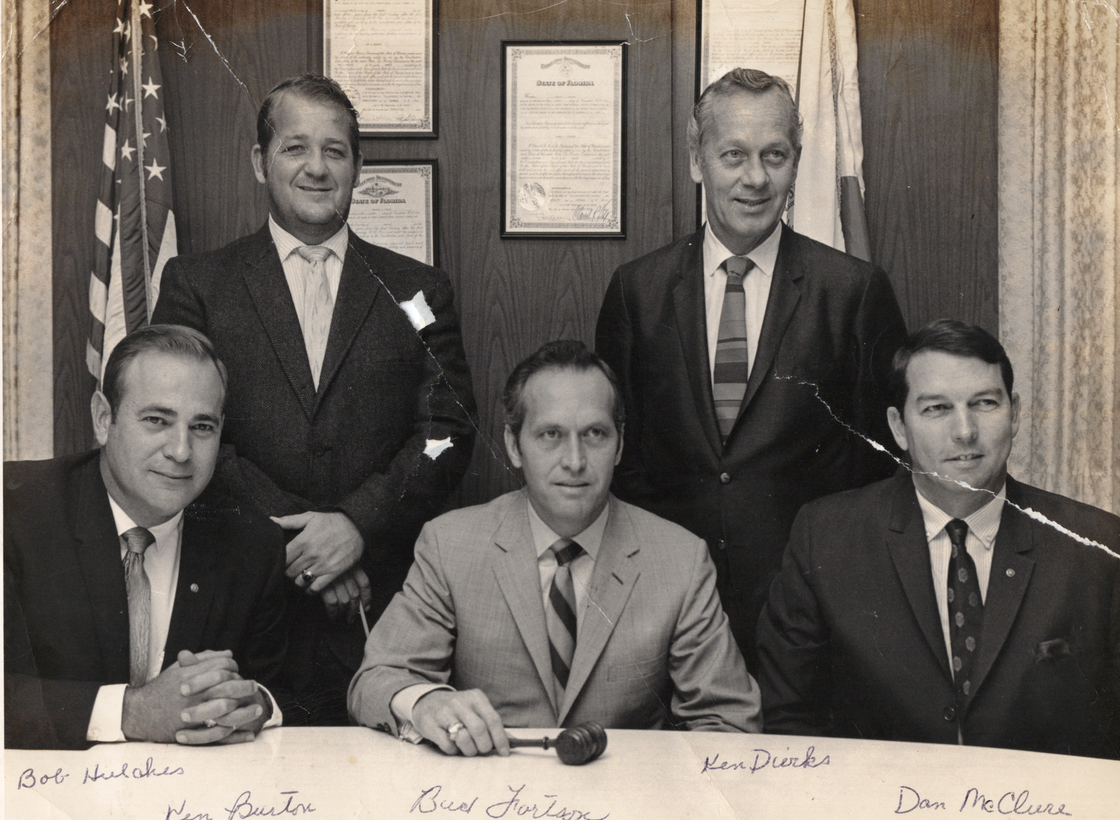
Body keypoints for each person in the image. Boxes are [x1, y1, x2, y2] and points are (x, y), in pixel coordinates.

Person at [153, 75, 477, 724]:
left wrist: (356, 525)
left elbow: (446, 429)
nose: (317, 167)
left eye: (335, 150)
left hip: (380, 605)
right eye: (296, 147)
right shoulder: (198, 285)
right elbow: (180, 432)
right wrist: (306, 541)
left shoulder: (417, 291)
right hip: (240, 597)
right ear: (259, 162)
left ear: (358, 167)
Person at [595, 68, 907, 672]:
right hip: (666, 608)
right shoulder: (637, 289)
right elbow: (621, 458)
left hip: (812, 612)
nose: (756, 178)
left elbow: (881, 466)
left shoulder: (853, 291)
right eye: (733, 155)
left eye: (775, 155)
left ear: (796, 163)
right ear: (697, 161)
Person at [350, 341, 761, 755]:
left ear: (619, 445)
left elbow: (730, 721)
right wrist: (426, 702)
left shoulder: (681, 560)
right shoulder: (450, 544)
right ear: (514, 445)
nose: (575, 460)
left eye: (595, 434)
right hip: (487, 804)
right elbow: (374, 681)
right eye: (551, 435)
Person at [757, 319, 1120, 759]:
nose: (964, 431)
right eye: (936, 408)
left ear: (1016, 414)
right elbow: (791, 722)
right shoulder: (826, 538)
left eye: (984, 403)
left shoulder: (1097, 547)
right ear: (898, 428)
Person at [5, 325, 288, 751]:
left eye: (203, 427)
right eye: (157, 420)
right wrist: (131, 711)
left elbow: (296, 692)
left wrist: (254, 705)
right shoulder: (10, 513)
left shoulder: (253, 544)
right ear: (104, 419)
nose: (180, 451)